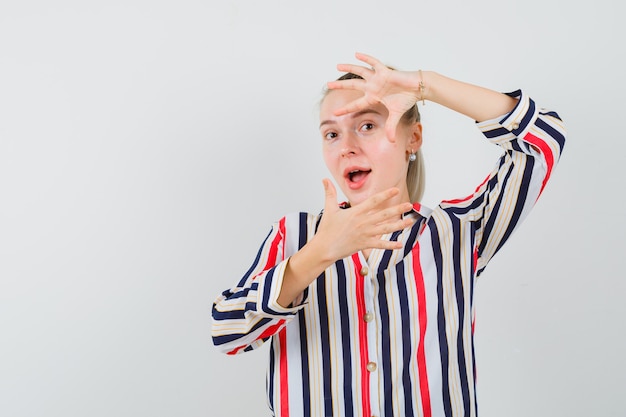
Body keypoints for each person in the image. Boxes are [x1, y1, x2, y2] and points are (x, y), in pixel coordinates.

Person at [211, 52, 566, 417]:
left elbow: (542, 140)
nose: (347, 145)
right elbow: (226, 333)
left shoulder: (459, 232)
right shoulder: (294, 235)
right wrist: (318, 253)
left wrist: (425, 85)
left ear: (413, 137)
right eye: (332, 133)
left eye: (367, 125)